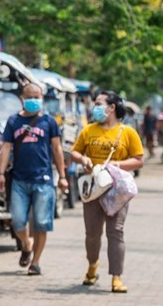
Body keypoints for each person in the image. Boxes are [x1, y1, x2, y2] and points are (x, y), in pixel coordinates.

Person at [71, 91, 144, 293]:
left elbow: (139, 159)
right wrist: (83, 160)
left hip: (117, 190)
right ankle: (92, 265)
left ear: (112, 107)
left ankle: (116, 277)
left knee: (116, 232)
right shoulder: (88, 131)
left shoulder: (127, 132)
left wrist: (117, 164)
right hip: (93, 188)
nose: (95, 107)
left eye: (99, 103)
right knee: (92, 234)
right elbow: (75, 151)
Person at [0, 83, 67, 276]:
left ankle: (35, 262)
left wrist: (62, 176)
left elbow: (57, 149)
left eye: (37, 96)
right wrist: (1, 173)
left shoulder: (49, 121)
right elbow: (5, 147)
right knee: (18, 221)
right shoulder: (13, 121)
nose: (34, 100)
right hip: (19, 179)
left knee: (42, 223)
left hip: (43, 180)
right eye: (30, 96)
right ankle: (27, 244)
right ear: (22, 98)